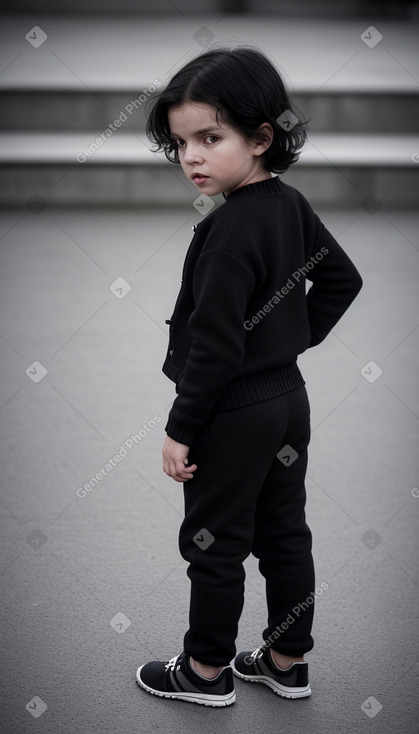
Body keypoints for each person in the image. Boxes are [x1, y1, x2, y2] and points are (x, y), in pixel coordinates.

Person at [136, 46, 363, 707]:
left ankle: (204, 672)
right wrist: (285, 341)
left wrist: (180, 429)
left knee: (214, 542)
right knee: (283, 532)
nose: (192, 158)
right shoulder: (288, 204)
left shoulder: (230, 229)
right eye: (180, 143)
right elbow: (341, 279)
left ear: (262, 136)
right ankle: (285, 661)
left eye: (210, 138)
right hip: (287, 401)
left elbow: (211, 348)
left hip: (232, 413)